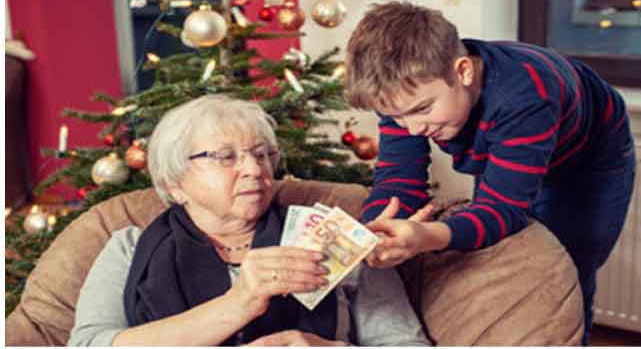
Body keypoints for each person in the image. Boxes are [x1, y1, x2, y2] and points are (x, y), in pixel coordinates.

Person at [344, 1, 635, 345]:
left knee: (567, 272)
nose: (411, 129)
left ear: (463, 71)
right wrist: (367, 233)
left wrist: (427, 236)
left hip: (588, 160)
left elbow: (501, 210)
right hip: (513, 139)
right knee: (502, 253)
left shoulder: (527, 96)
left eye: (422, 110)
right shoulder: (403, 97)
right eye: (396, 118)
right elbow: (398, 183)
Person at [68, 95, 431, 346]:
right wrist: (238, 303)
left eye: (261, 154)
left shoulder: (332, 236)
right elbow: (87, 344)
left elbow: (405, 343)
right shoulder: (129, 248)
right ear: (175, 184)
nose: (254, 169)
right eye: (225, 157)